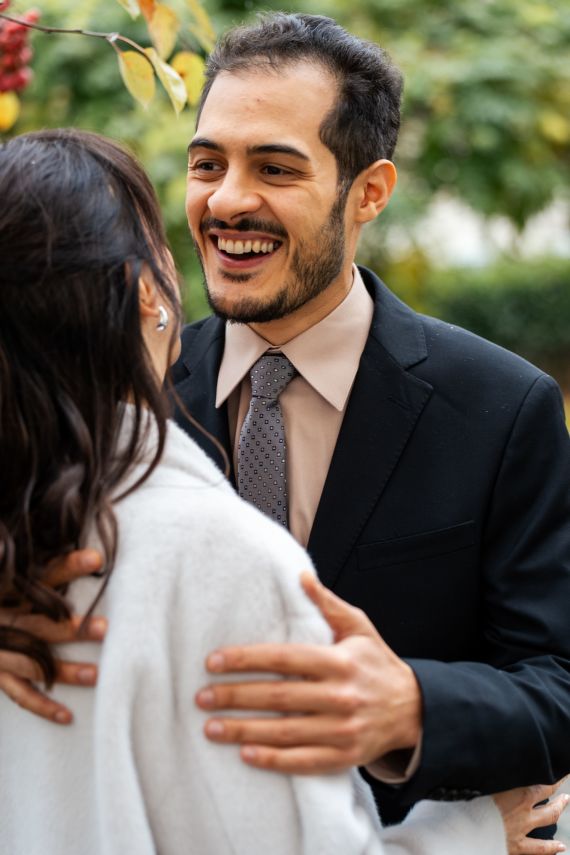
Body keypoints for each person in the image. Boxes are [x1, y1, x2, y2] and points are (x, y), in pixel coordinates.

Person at [1, 12, 569, 852]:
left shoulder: (500, 404)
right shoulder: (108, 397)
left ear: (369, 192)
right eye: (206, 164)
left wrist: (414, 704)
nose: (227, 199)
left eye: (274, 166)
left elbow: (558, 678)